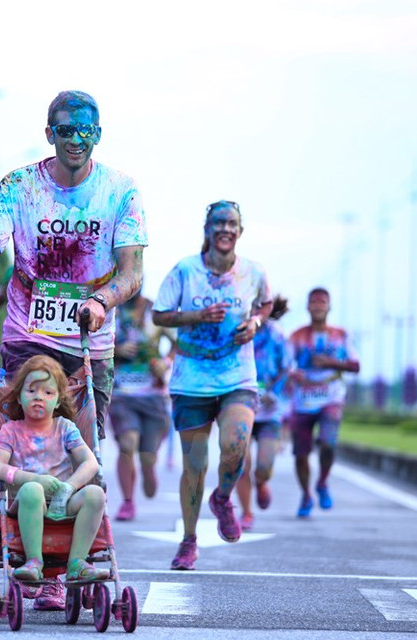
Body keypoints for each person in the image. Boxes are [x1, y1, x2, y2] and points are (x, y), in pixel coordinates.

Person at [0, 90, 147, 609]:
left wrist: (102, 300)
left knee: (83, 450)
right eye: (66, 130)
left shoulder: (121, 191)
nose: (76, 140)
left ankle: (72, 561)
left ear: (99, 135)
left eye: (86, 131)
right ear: (49, 133)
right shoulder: (18, 186)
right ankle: (34, 562)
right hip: (28, 335)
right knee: (30, 444)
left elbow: (132, 271)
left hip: (89, 342)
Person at [152, 200, 272, 571]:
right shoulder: (185, 270)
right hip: (192, 380)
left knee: (235, 446)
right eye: (218, 222)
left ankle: (222, 498)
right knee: (195, 464)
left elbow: (265, 305)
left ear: (240, 230)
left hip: (237, 377)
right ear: (207, 229)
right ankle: (189, 541)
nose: (225, 229)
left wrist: (254, 323)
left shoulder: (253, 271)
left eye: (232, 223)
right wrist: (197, 315)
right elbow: (159, 314)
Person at [0, 355, 108, 584]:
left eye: (48, 392)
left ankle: (77, 563)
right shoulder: (11, 430)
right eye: (31, 390)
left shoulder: (65, 428)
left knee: (95, 494)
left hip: (63, 500)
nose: (38, 397)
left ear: (59, 400)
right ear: (19, 396)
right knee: (33, 489)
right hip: (27, 501)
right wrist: (31, 478)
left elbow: (91, 462)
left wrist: (68, 487)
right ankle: (34, 562)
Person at [287, 287, 360, 518]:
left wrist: (331, 363)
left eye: (322, 302)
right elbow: (285, 365)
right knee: (301, 453)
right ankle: (306, 494)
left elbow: (355, 365)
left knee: (328, 443)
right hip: (303, 400)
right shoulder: (296, 336)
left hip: (331, 397)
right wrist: (293, 374)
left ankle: (322, 482)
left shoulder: (341, 335)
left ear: (329, 307)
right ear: (307, 307)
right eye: (314, 302)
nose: (318, 306)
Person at [108, 293, 172, 522]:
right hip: (121, 395)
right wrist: (116, 350)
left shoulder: (155, 310)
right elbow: (89, 340)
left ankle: (148, 466)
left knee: (147, 455)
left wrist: (165, 363)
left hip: (153, 397)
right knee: (127, 444)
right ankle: (127, 501)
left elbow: (181, 343)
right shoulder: (109, 308)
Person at [235, 295, 291, 531]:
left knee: (264, 466)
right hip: (239, 408)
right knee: (240, 463)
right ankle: (247, 513)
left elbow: (287, 368)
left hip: (269, 412)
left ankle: (261, 481)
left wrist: (274, 393)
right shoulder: (235, 331)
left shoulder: (277, 335)